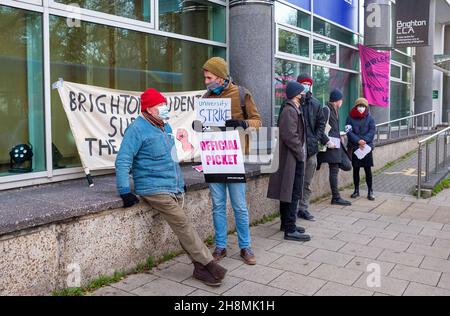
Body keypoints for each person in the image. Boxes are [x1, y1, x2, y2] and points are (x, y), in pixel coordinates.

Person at [115, 88, 227, 287]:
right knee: (183, 223)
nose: (165, 108)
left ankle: (199, 268)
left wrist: (179, 182)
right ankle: (208, 263)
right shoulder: (137, 129)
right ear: (149, 109)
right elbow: (123, 160)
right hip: (152, 187)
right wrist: (124, 190)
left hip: (170, 185)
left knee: (181, 226)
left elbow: (172, 159)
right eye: (160, 105)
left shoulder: (164, 126)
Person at [201, 57, 262, 265]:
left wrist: (242, 122)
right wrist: (197, 127)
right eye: (205, 77)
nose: (206, 81)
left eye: (209, 77)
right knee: (217, 204)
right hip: (214, 157)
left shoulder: (242, 93)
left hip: (235, 157)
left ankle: (246, 247)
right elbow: (204, 127)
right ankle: (220, 246)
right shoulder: (206, 97)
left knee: (239, 205)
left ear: (220, 77)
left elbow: (258, 121)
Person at [277, 74, 327, 222]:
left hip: (310, 150)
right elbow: (283, 126)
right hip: (294, 149)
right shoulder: (289, 104)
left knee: (306, 182)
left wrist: (315, 139)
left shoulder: (316, 104)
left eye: (308, 84)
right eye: (303, 84)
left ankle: (303, 209)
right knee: (292, 181)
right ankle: (291, 213)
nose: (306, 87)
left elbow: (321, 124)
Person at [267, 82, 311, 242]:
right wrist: (300, 153)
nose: (303, 95)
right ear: (295, 94)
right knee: (292, 192)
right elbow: (289, 135)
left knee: (288, 191)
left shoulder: (293, 109)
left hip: (292, 157)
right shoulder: (289, 110)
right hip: (292, 158)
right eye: (301, 92)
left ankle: (286, 224)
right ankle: (290, 229)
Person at [317, 89, 352, 206]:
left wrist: (339, 135)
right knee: (334, 170)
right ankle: (336, 197)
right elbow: (320, 129)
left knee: (347, 165)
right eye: (341, 99)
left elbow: (332, 129)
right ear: (337, 100)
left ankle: (336, 197)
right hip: (330, 146)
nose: (342, 102)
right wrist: (327, 141)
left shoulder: (336, 110)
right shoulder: (326, 110)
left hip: (337, 144)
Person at [346, 97, 376, 201]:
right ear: (356, 106)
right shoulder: (350, 117)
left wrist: (364, 141)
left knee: (368, 170)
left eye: (363, 106)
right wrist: (358, 141)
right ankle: (356, 190)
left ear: (366, 107)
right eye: (359, 106)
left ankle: (370, 191)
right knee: (356, 170)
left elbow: (372, 131)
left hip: (366, 147)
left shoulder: (370, 118)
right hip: (355, 147)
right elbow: (349, 132)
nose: (361, 108)